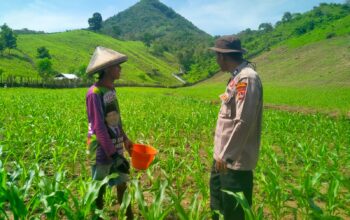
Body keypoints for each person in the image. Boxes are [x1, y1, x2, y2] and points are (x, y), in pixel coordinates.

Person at [209, 35, 263, 220]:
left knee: (233, 214)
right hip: (221, 159)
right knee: (218, 209)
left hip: (233, 163)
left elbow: (243, 121)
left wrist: (227, 156)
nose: (217, 61)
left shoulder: (247, 78)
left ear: (223, 57)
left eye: (217, 57)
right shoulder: (236, 78)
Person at [85, 46, 133, 219]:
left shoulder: (111, 90)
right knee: (99, 191)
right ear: (106, 69)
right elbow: (98, 127)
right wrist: (114, 156)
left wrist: (126, 140)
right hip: (101, 151)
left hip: (116, 147)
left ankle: (129, 217)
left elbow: (115, 121)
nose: (120, 68)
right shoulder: (94, 93)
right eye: (117, 65)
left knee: (122, 185)